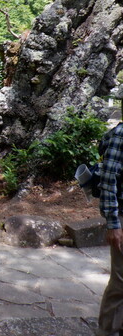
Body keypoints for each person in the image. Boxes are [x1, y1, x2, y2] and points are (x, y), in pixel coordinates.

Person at [97, 116, 123, 336]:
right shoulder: (121, 135)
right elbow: (108, 180)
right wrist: (113, 224)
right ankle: (107, 331)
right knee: (121, 280)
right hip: (122, 217)